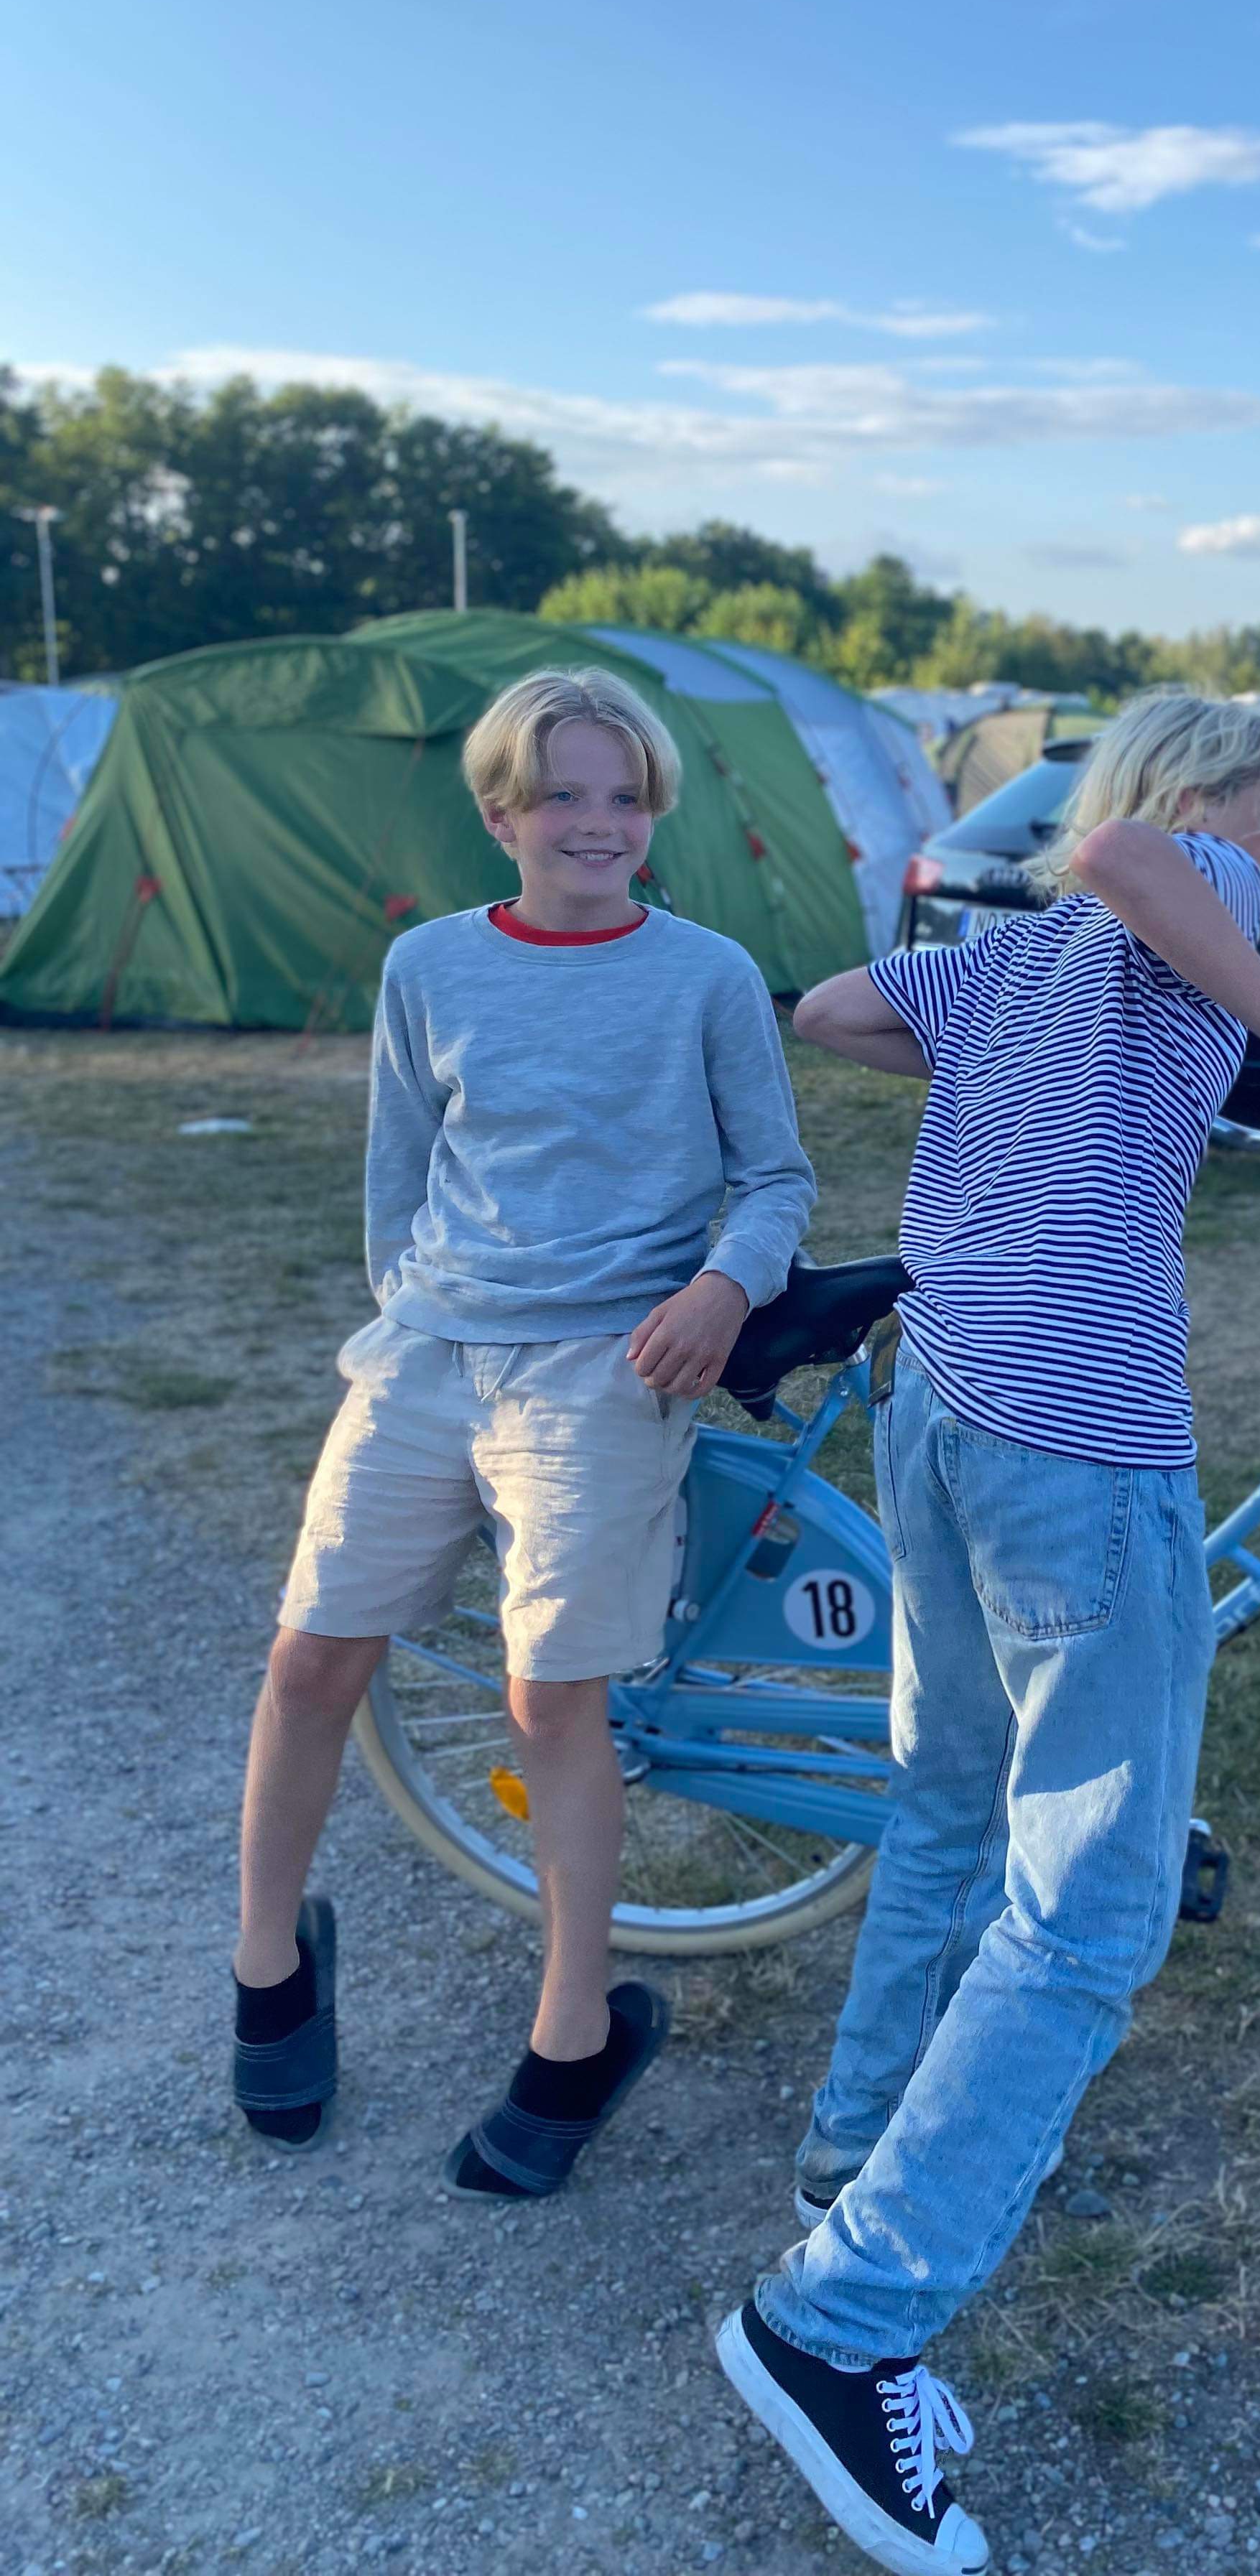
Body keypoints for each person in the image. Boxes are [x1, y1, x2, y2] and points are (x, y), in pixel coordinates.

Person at [715, 692, 1260, 2575]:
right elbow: (1131, 853)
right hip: (1075, 1432)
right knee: (1096, 1909)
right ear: (1220, 795)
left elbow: (836, 1008)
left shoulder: (1028, 958)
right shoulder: (1170, 871)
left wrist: (1022, 1060)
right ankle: (841, 2322)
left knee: (950, 1804)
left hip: (946, 1404)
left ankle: (860, 2161)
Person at [228, 666, 814, 2198]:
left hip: (605, 1363)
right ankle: (269, 1961)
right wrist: (418, 1317)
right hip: (433, 1347)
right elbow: (400, 1175)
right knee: (310, 1656)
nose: (596, 823)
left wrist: (721, 1287)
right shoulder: (429, 965)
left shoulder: (706, 976)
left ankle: (574, 2032)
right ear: (501, 814)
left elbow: (776, 1179)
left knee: (550, 1697)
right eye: (561, 795)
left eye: (624, 796)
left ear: (653, 813)